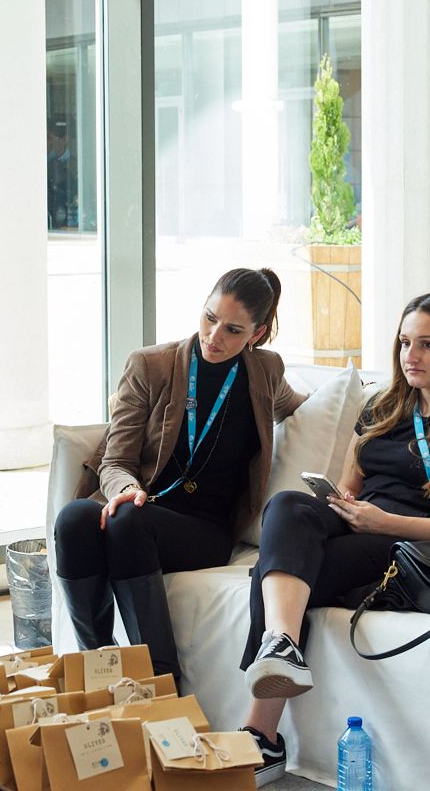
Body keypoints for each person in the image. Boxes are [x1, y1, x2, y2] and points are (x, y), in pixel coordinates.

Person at [235, 292, 430, 785]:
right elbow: (350, 486)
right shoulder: (381, 408)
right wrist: (342, 503)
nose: (411, 356)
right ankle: (280, 646)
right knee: (287, 505)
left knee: (272, 572)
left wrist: (385, 522)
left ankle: (263, 734)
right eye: (405, 343)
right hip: (361, 524)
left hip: (411, 544)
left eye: (427, 344)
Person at [55, 268, 308, 682]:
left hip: (205, 529)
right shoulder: (151, 365)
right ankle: (98, 667)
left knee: (127, 522)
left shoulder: (265, 370)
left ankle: (159, 677)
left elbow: (299, 406)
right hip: (143, 504)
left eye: (232, 330)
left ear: (257, 333)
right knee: (74, 519)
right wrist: (128, 488)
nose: (213, 336)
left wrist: (370, 409)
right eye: (209, 318)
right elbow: (115, 461)